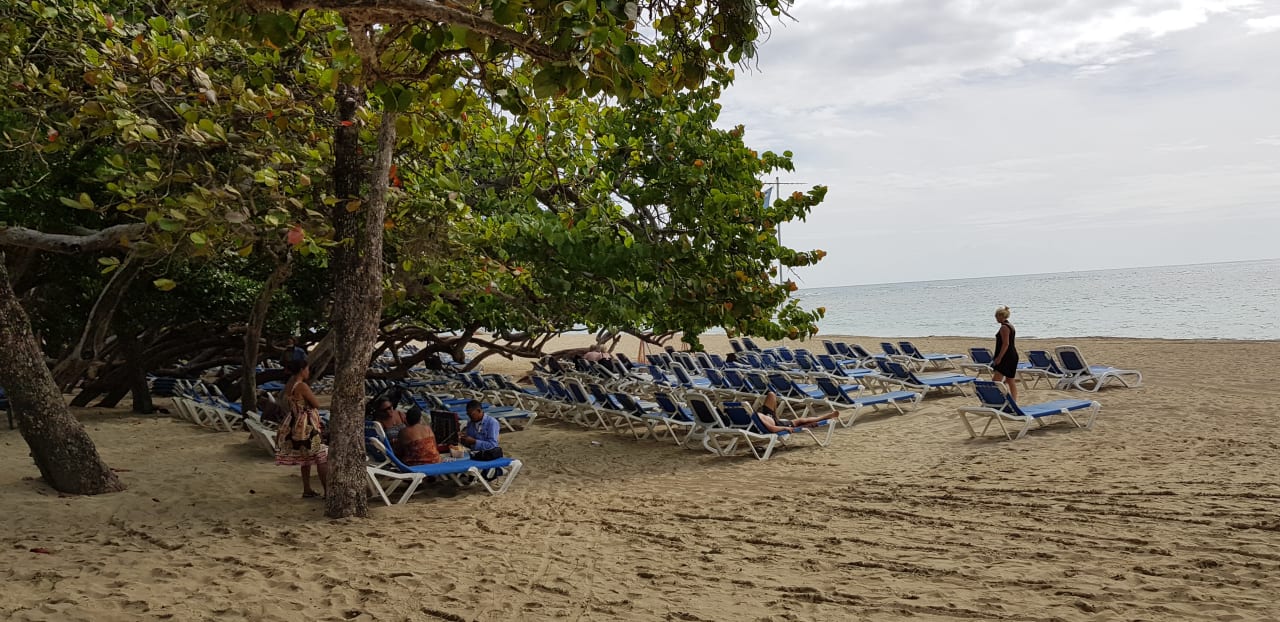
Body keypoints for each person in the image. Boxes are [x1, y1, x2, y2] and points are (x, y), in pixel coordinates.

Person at [274, 358, 328, 498]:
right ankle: (328, 491)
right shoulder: (302, 386)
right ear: (302, 370)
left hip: (296, 424)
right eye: (307, 369)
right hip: (307, 426)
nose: (308, 371)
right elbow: (316, 403)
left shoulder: (290, 385)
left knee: (306, 457)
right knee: (321, 456)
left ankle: (307, 488)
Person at [752, 391, 838, 433]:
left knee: (771, 394)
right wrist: (785, 428)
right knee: (800, 421)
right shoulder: (754, 418)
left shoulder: (749, 416)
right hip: (776, 424)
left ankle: (776, 416)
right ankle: (826, 416)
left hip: (769, 417)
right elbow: (771, 428)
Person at [991, 305, 1019, 402]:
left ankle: (997, 400)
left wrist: (999, 358)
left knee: (996, 382)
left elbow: (1005, 344)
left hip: (1007, 356)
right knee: (1010, 380)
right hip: (1012, 355)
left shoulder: (1004, 327)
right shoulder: (1010, 326)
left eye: (997, 316)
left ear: (1002, 317)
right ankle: (1013, 401)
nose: (996, 319)